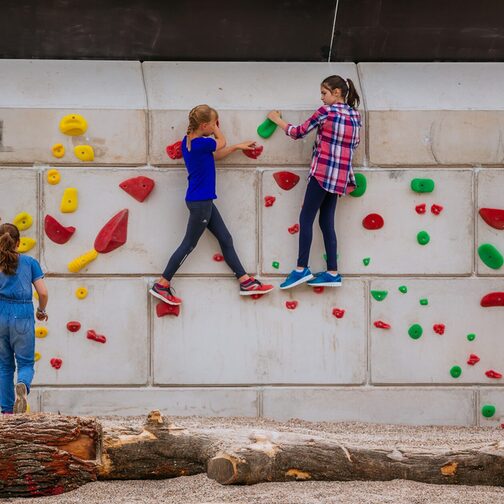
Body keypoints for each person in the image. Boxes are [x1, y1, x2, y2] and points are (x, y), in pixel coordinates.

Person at [150, 104, 274, 305]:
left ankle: (245, 281)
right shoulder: (202, 143)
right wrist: (218, 130)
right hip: (201, 202)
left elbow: (215, 155)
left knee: (225, 238)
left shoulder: (189, 142)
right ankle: (162, 284)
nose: (215, 127)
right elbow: (221, 142)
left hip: (201, 200)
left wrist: (236, 147)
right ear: (205, 125)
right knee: (188, 244)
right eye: (213, 124)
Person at [267, 75, 362, 289]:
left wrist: (276, 119)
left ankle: (301, 269)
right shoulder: (355, 115)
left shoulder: (326, 112)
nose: (321, 98)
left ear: (336, 92)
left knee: (306, 217)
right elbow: (354, 144)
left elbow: (299, 132)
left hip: (322, 173)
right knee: (326, 222)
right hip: (340, 176)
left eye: (324, 93)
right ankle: (332, 272)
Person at [0, 223, 48, 414]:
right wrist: (41, 311)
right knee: (26, 363)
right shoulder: (30, 263)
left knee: (4, 365)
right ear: (18, 243)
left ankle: (6, 412)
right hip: (23, 315)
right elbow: (43, 293)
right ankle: (23, 385)